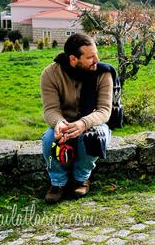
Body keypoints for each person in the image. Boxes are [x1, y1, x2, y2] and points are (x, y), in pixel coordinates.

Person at [40, 33, 113, 203]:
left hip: (94, 123)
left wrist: (84, 123)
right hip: (64, 123)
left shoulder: (103, 73)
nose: (97, 60)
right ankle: (58, 183)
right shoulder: (50, 74)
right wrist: (59, 123)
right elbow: (50, 109)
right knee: (49, 139)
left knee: (94, 137)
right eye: (90, 57)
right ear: (73, 59)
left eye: (96, 54)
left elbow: (104, 111)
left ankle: (81, 179)